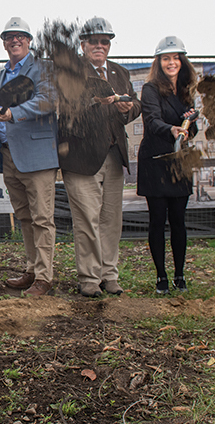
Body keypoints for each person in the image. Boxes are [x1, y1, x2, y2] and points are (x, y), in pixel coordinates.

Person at [58, 17, 142, 297]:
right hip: (81, 158)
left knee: (111, 220)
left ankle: (110, 274)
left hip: (113, 154)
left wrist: (128, 109)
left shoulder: (119, 72)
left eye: (104, 41)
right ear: (83, 45)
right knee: (87, 221)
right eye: (93, 41)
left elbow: (136, 104)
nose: (99, 46)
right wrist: (97, 101)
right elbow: (67, 109)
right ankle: (89, 279)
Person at [0, 17, 58, 297]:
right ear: (4, 43)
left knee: (42, 218)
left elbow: (48, 100)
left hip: (37, 156)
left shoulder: (43, 69)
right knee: (25, 218)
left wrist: (14, 114)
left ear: (29, 41)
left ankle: (45, 277)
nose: (14, 41)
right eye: (9, 37)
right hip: (8, 154)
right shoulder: (2, 75)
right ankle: (32, 269)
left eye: (20, 36)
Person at [137, 36, 197, 294]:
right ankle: (161, 276)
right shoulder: (150, 88)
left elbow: (190, 132)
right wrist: (173, 129)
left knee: (179, 220)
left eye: (176, 58)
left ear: (182, 61)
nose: (171, 62)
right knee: (157, 220)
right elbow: (151, 121)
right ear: (159, 62)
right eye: (166, 58)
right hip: (155, 161)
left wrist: (188, 124)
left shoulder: (187, 90)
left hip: (178, 162)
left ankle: (180, 275)